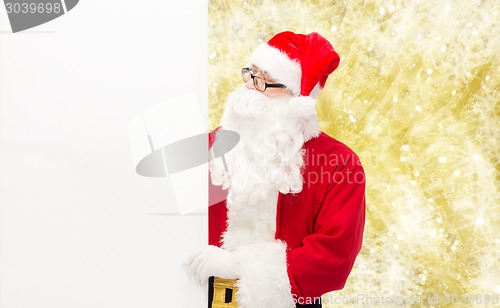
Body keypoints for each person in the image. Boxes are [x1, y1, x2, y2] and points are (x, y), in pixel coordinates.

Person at [185, 31, 366, 308]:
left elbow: (335, 255)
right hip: (197, 296)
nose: (248, 87)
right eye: (250, 74)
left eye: (263, 82)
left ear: (296, 100)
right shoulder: (211, 147)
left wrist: (239, 267)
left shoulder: (340, 164)